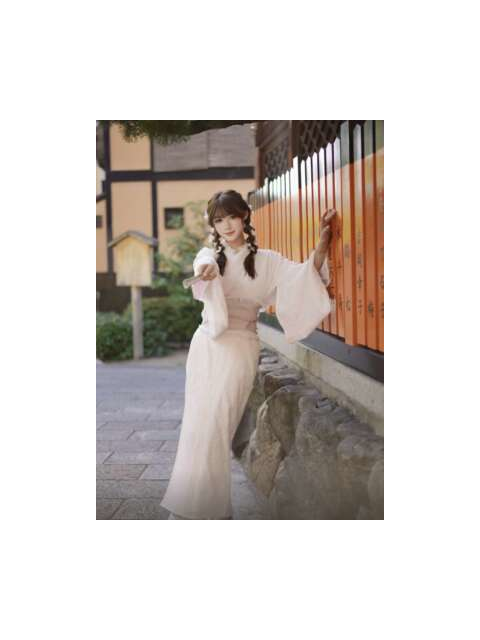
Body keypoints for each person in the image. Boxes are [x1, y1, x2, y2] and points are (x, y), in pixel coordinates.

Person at [161, 190, 335, 520]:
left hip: (240, 346)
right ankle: (205, 508)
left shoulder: (268, 261)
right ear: (213, 225)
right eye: (219, 220)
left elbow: (303, 276)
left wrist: (323, 244)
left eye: (232, 217)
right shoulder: (210, 255)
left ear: (244, 217)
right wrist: (207, 270)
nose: (227, 225)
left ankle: (205, 509)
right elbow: (203, 262)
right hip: (207, 346)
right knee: (198, 426)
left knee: (218, 426)